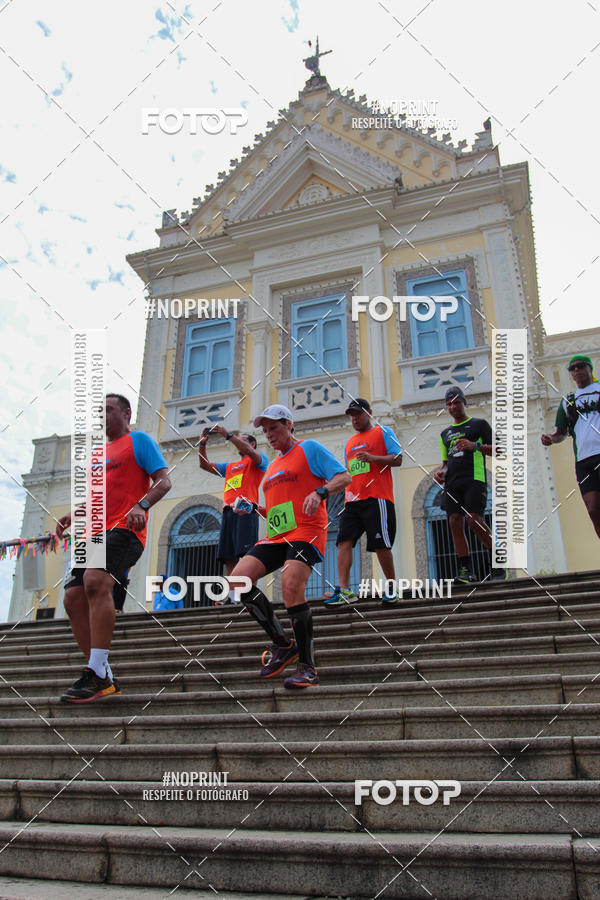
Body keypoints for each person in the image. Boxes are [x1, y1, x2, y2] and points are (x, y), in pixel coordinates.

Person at [56, 394, 171, 702]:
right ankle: (102, 675)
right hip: (92, 536)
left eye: (108, 409)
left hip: (125, 529)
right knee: (72, 598)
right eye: (99, 411)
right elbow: (97, 497)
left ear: (126, 413)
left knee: (95, 580)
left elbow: (164, 481)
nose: (102, 415)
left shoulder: (139, 441)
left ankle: (94, 673)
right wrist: (75, 513)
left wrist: (142, 505)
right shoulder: (98, 454)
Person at [228, 405, 351, 689]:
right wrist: (254, 508)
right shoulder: (272, 467)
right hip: (277, 536)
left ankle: (308, 667)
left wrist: (320, 491)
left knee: (291, 584)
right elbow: (277, 511)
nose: (269, 434)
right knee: (237, 580)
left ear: (289, 425)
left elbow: (344, 477)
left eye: (274, 428)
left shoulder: (309, 449)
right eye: (265, 430)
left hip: (306, 531)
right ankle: (283, 644)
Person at [325, 398, 403, 606]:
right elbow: (349, 473)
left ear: (369, 412)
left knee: (381, 544)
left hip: (377, 498)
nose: (354, 418)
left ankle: (391, 587)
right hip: (352, 501)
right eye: (351, 415)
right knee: (343, 541)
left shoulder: (383, 432)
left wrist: (373, 458)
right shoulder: (350, 443)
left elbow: (398, 458)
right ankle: (344, 590)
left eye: (358, 414)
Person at [434, 386, 505, 583]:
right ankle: (466, 570)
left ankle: (497, 562)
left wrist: (476, 446)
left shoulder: (479, 425)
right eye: (449, 404)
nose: (453, 407)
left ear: (464, 403)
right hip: (452, 483)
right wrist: (441, 473)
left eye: (457, 402)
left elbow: (499, 449)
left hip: (474, 478)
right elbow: (446, 463)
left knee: (473, 520)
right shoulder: (445, 434)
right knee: (454, 522)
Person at [198, 425, 268, 604]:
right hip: (228, 512)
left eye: (243, 440)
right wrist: (202, 444)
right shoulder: (229, 466)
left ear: (253, 444)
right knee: (229, 558)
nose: (238, 443)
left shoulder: (258, 461)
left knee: (247, 555)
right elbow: (204, 465)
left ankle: (248, 595)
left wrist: (228, 435)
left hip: (245, 510)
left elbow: (248, 451)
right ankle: (231, 597)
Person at [541, 353, 600, 539]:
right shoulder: (568, 401)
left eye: (580, 366)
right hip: (584, 461)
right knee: (593, 509)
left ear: (590, 368)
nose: (576, 370)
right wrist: (551, 438)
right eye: (572, 368)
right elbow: (561, 432)